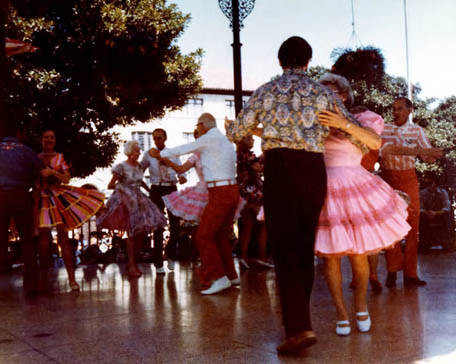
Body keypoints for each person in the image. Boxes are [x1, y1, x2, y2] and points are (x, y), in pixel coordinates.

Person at [225, 36, 365, 355]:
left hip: (281, 168)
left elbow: (238, 133)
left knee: (284, 248)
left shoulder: (266, 90)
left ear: (279, 61)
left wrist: (232, 127)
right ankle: (302, 324)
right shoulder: (320, 92)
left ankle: (299, 328)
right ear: (308, 61)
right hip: (314, 168)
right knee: (303, 246)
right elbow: (350, 127)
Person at [315, 73, 411, 336]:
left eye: (331, 90)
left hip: (355, 181)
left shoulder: (364, 118)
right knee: (331, 257)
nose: (325, 94)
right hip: (324, 185)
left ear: (344, 94)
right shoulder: (311, 118)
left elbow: (374, 142)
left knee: (359, 252)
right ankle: (341, 313)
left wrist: (342, 122)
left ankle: (360, 306)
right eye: (321, 90)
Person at [151, 113, 239, 295]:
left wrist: (161, 154)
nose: (197, 130)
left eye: (197, 127)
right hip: (231, 191)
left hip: (219, 192)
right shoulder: (225, 141)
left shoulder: (208, 138)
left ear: (202, 126)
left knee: (203, 236)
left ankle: (217, 277)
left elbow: (184, 148)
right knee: (220, 236)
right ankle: (231, 276)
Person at [380, 97, 443, 287]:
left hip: (408, 178)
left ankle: (411, 274)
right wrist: (417, 151)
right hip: (388, 178)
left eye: (400, 108)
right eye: (394, 108)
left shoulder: (417, 131)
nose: (396, 112)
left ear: (410, 110)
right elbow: (386, 151)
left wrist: (433, 154)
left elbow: (428, 156)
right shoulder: (384, 128)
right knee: (390, 225)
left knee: (412, 225)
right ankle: (392, 271)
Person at [36, 129, 105, 291]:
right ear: (42, 140)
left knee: (63, 237)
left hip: (57, 196)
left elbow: (66, 178)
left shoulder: (59, 157)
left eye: (52, 137)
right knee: (44, 241)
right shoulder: (36, 158)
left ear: (55, 140)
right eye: (46, 137)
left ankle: (72, 280)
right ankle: (44, 280)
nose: (49, 140)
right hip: (41, 198)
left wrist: (52, 172)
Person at [97, 140, 166, 277]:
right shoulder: (121, 167)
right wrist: (124, 190)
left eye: (139, 150)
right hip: (126, 201)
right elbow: (111, 185)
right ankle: (132, 265)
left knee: (141, 233)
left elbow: (140, 182)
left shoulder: (139, 166)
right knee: (131, 232)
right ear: (130, 151)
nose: (139, 152)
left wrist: (149, 191)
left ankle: (132, 261)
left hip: (139, 200)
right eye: (136, 150)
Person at [0, 121, 43, 295]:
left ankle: (3, 271)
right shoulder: (26, 151)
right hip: (21, 196)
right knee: (27, 240)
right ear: (19, 133)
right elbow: (42, 171)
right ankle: (31, 283)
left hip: (0, 196)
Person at [142, 128, 186, 273]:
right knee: (157, 226)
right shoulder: (148, 155)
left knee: (175, 224)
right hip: (156, 189)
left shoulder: (172, 153)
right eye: (154, 138)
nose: (157, 140)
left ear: (165, 138)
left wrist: (181, 176)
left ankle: (171, 255)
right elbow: (140, 171)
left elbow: (181, 171)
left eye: (159, 137)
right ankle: (158, 262)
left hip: (171, 188)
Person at [236, 137, 272, 269]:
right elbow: (258, 168)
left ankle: (243, 256)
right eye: (249, 138)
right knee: (264, 223)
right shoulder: (248, 155)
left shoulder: (239, 155)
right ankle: (262, 256)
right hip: (253, 193)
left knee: (248, 226)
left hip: (243, 193)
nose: (252, 140)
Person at [419, 176, 453, 251]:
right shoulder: (422, 193)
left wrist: (436, 213)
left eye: (430, 183)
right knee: (421, 216)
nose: (429, 186)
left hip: (439, 214)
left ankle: (447, 242)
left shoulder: (443, 192)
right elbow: (420, 207)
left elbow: (446, 207)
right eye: (426, 183)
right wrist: (427, 212)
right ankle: (424, 244)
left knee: (447, 215)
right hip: (427, 214)